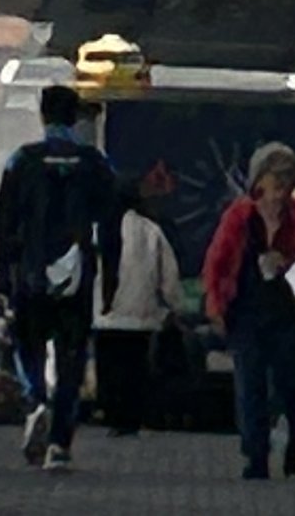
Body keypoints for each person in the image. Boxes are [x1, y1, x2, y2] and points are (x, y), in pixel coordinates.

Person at [0, 82, 119, 469]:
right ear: (75, 116)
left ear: (43, 115)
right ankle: (60, 443)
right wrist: (110, 276)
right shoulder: (96, 164)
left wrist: (2, 275)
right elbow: (111, 225)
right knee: (71, 357)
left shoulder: (22, 161)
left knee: (27, 346)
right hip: (76, 275)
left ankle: (35, 400)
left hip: (31, 272)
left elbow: (4, 222)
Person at [201, 142, 295, 480]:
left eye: (286, 184)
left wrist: (289, 264)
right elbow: (216, 262)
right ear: (260, 183)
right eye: (275, 184)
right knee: (250, 383)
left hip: (289, 310)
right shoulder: (239, 217)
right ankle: (255, 455)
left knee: (290, 384)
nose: (279, 194)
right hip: (246, 310)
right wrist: (215, 305)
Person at [93, 186, 177, 439]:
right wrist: (172, 305)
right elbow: (169, 274)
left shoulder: (99, 229)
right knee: (135, 368)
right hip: (142, 315)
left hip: (105, 316)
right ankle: (132, 418)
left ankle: (113, 415)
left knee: (110, 368)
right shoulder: (152, 231)